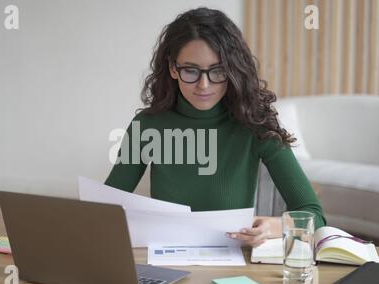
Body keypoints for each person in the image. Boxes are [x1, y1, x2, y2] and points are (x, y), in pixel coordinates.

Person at [105, 7, 326, 247]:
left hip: (233, 264)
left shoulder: (256, 125)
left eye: (217, 71)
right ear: (172, 68)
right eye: (190, 70)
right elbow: (102, 210)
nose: (204, 84)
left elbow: (315, 215)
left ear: (232, 70)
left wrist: (273, 226)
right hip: (167, 260)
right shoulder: (147, 126)